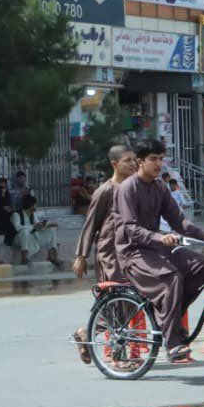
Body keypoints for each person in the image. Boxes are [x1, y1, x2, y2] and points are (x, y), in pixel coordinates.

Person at [115, 138, 204, 364]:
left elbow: (177, 220)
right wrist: (160, 237)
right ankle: (172, 343)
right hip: (134, 253)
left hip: (158, 249)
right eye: (153, 159)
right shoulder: (128, 188)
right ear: (140, 162)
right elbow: (131, 229)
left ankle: (168, 314)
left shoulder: (160, 187)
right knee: (172, 278)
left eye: (161, 159)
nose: (158, 164)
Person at [72, 144, 138, 363]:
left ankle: (85, 333)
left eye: (134, 160)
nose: (133, 164)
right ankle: (119, 356)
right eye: (127, 160)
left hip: (129, 252)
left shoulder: (133, 188)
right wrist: (81, 256)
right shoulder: (105, 191)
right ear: (114, 164)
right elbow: (90, 225)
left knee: (129, 302)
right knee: (115, 300)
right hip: (109, 253)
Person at [11, 194, 59, 265]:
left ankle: (53, 257)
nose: (35, 206)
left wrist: (46, 226)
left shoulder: (33, 214)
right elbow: (18, 228)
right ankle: (24, 258)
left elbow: (37, 226)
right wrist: (33, 226)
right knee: (24, 231)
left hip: (33, 237)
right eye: (34, 205)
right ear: (30, 205)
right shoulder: (16, 214)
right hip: (19, 238)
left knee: (51, 230)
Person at [0, 177, 14, 246]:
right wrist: (2, 195)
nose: (3, 185)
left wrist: (9, 207)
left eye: (4, 183)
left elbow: (9, 201)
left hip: (6, 209)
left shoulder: (6, 192)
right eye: (1, 183)